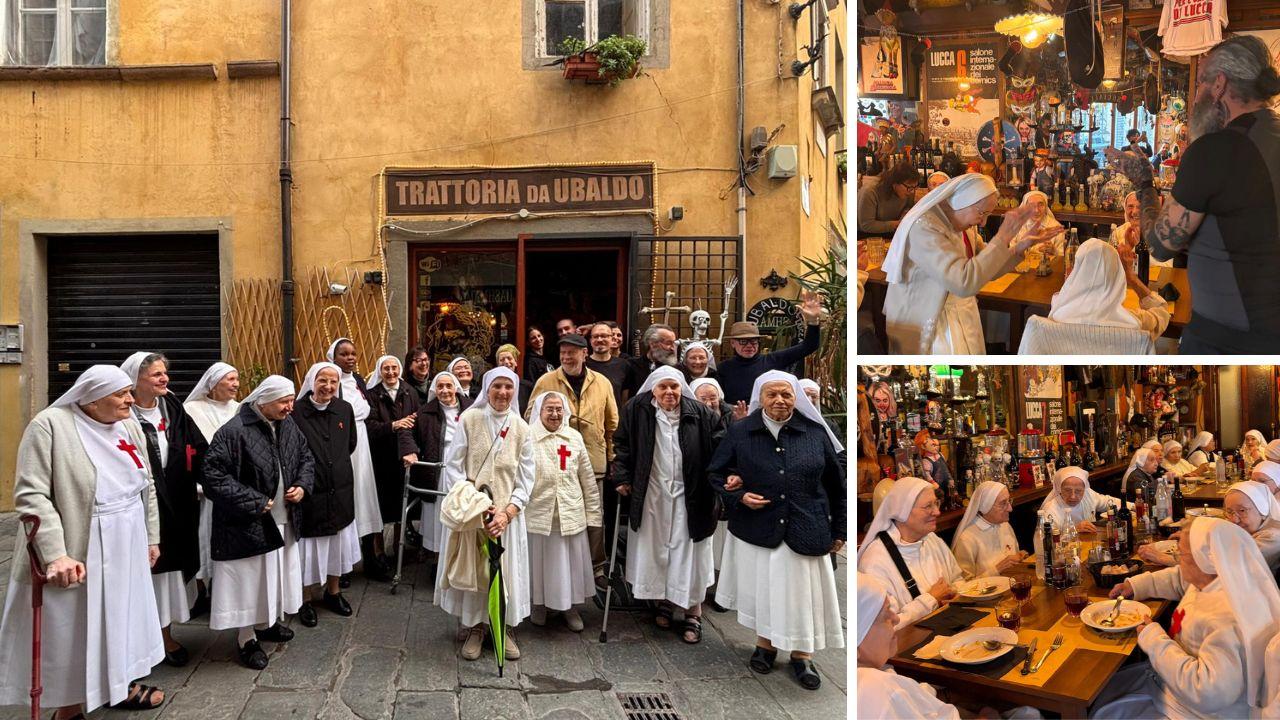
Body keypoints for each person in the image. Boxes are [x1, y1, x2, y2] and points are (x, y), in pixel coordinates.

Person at [0, 366, 166, 717]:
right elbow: (32, 496)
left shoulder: (129, 424)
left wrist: (151, 536)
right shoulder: (50, 425)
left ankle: (119, 684)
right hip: (82, 542)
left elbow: (146, 483)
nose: (130, 400)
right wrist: (55, 554)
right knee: (73, 629)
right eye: (121, 394)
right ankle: (69, 707)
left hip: (128, 538)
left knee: (122, 617)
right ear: (91, 399)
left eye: (128, 392)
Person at [1105, 36, 1280, 353]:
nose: (1196, 94)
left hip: (1227, 339)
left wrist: (1145, 182)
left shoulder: (1215, 150)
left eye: (1200, 83)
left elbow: (1160, 243)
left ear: (1220, 85)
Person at [709, 370, 843, 687]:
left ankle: (802, 656)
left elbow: (837, 486)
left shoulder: (814, 433)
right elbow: (716, 472)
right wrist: (739, 494)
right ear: (761, 397)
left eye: (786, 394)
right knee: (766, 590)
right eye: (772, 394)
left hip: (806, 524)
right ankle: (765, 645)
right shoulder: (742, 431)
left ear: (795, 397)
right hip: (761, 526)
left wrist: (841, 530)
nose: (779, 400)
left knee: (802, 595)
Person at [1099, 517, 1280, 718]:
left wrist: (1154, 640)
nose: (1178, 558)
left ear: (1203, 559)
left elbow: (1209, 693)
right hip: (1174, 681)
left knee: (1101, 706)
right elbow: (1178, 579)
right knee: (1108, 688)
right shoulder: (1226, 577)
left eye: (1182, 554)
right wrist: (1136, 585)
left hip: (1200, 712)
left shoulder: (1226, 618)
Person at [203, 375, 313, 670]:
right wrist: (252, 501)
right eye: (284, 401)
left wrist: (302, 484)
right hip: (248, 524)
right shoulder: (233, 431)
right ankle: (246, 638)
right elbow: (213, 476)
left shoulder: (287, 424)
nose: (291, 407)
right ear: (263, 401)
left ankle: (267, 622)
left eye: (292, 400)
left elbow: (305, 457)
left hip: (283, 520)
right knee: (249, 582)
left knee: (275, 578)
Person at [882, 173, 1062, 354]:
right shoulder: (924, 228)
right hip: (932, 321)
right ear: (962, 201)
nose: (983, 222)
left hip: (962, 313)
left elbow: (986, 268)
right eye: (982, 213)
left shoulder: (962, 223)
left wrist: (1020, 246)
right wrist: (1002, 236)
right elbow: (963, 282)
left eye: (988, 215)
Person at [613, 366, 723, 645]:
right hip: (653, 493)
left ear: (681, 388)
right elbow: (622, 444)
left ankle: (693, 613)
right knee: (659, 549)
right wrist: (623, 477)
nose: (669, 393)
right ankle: (664, 602)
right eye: (663, 388)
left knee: (690, 552)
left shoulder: (700, 413)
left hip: (693, 494)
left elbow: (722, 444)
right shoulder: (636, 409)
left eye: (674, 387)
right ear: (653, 390)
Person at [434, 367, 533, 661]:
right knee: (475, 573)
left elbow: (527, 477)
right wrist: (477, 506)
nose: (503, 392)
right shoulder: (470, 419)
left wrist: (507, 513)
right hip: (474, 514)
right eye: (497, 386)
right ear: (486, 389)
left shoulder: (522, 428)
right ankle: (475, 626)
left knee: (505, 572)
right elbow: (454, 468)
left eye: (508, 387)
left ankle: (501, 625)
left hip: (506, 520)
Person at [120, 351, 206, 668]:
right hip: (139, 507)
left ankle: (164, 635)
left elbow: (197, 447)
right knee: (141, 573)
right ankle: (137, 641)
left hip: (177, 504)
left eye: (164, 373)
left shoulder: (171, 406)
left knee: (166, 576)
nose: (164, 379)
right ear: (135, 379)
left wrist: (212, 479)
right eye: (156, 374)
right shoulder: (122, 414)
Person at [530, 331, 619, 590]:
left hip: (592, 456)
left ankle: (596, 567)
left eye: (572, 352)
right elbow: (531, 415)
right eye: (563, 353)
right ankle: (559, 568)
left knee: (595, 515)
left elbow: (612, 423)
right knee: (560, 515)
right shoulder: (547, 380)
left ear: (585, 354)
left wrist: (611, 455)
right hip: (554, 458)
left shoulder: (601, 382)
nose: (567, 357)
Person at [524, 391, 601, 632]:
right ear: (539, 411)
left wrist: (593, 514)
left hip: (570, 512)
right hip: (538, 513)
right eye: (549, 409)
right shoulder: (527, 437)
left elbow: (587, 478)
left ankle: (570, 607)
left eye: (559, 409)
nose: (555, 414)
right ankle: (539, 604)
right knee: (540, 564)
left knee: (569, 566)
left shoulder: (574, 437)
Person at [292, 362, 359, 627]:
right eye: (323, 381)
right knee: (309, 550)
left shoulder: (344, 409)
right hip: (311, 492)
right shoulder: (296, 412)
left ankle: (333, 592)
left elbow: (350, 443)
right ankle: (305, 598)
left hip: (340, 489)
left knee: (336, 546)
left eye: (333, 382)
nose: (328, 387)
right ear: (311, 381)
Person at [1021, 239, 1171, 354]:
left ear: (1076, 271)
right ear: (1117, 275)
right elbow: (1161, 312)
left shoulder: (1054, 316)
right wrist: (1132, 277)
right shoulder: (1135, 322)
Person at [857, 477, 962, 629]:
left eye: (936, 503)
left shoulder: (932, 539)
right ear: (902, 511)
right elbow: (885, 627)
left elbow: (957, 578)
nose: (937, 512)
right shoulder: (875, 562)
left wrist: (955, 594)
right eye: (928, 506)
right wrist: (931, 599)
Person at [327, 338, 389, 580]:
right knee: (346, 502)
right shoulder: (330, 382)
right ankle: (341, 565)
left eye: (353, 353)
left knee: (365, 501)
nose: (350, 358)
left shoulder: (359, 381)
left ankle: (370, 557)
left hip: (363, 447)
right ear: (333, 357)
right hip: (343, 447)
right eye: (344, 354)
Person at [184, 361, 240, 616]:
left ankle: (223, 590)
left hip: (232, 490)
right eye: (230, 380)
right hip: (202, 490)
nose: (236, 384)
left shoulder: (240, 410)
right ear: (213, 383)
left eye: (236, 379)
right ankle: (198, 592)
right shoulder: (191, 410)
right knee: (201, 539)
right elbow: (187, 451)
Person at [717, 291, 823, 405]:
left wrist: (813, 322)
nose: (749, 346)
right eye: (743, 341)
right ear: (733, 343)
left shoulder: (774, 360)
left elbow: (809, 346)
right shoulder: (724, 368)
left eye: (754, 341)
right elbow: (719, 400)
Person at [365, 354, 421, 563]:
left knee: (401, 504)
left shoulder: (410, 392)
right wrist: (394, 425)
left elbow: (417, 420)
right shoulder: (372, 395)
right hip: (381, 457)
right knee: (379, 506)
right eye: (386, 369)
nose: (391, 372)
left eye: (394, 368)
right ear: (380, 371)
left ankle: (399, 548)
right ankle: (378, 551)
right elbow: (369, 426)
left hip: (403, 458)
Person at [411, 371, 473, 557]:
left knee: (463, 507)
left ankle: (461, 556)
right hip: (438, 465)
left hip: (465, 463)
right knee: (439, 509)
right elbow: (408, 433)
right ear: (434, 389)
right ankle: (438, 557)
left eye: (448, 386)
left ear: (456, 388)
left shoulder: (470, 409)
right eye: (440, 386)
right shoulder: (425, 411)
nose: (445, 390)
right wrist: (410, 451)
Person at [951, 481, 1027, 579]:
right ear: (986, 506)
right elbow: (963, 587)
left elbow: (1014, 558)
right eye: (1003, 503)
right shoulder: (967, 539)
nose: (1010, 508)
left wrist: (1021, 557)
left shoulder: (1005, 525)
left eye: (1009, 501)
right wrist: (997, 569)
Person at [1038, 466, 1120, 533]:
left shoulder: (1088, 495)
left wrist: (1131, 506)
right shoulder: (1050, 510)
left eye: (1078, 491)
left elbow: (1108, 502)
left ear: (1084, 489)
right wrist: (1072, 530)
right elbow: (1045, 541)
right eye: (1067, 490)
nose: (1073, 496)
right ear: (1059, 489)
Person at [1111, 192, 1174, 269]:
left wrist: (1140, 250)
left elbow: (1168, 268)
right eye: (1130, 206)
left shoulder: (1162, 234)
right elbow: (1109, 265)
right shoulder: (1118, 233)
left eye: (1140, 207)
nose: (1134, 212)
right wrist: (1128, 249)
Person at [857, 162, 918, 237]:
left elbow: (908, 206)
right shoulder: (870, 192)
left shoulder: (908, 190)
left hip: (892, 233)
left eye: (915, 187)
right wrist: (897, 224)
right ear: (895, 183)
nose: (912, 191)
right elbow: (867, 225)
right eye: (910, 187)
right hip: (866, 236)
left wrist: (905, 214)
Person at [585, 321, 631, 411]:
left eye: (604, 336)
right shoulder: (582, 365)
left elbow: (624, 400)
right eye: (595, 336)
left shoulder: (624, 365)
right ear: (590, 340)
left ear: (611, 339)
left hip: (614, 421)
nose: (599, 339)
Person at [624, 323, 678, 396]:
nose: (672, 348)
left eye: (674, 343)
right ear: (652, 344)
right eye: (668, 343)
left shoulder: (676, 369)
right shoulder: (631, 365)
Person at [1012, 191, 1064, 268]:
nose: (1036, 210)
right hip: (1021, 268)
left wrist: (1053, 251)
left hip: (1045, 271)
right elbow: (1010, 253)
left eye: (1041, 205)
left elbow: (1062, 259)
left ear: (1046, 207)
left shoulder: (1056, 228)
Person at [495, 343, 535, 411]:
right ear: (498, 364)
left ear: (515, 362)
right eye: (502, 359)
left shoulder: (528, 387)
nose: (506, 362)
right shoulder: (493, 386)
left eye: (509, 358)